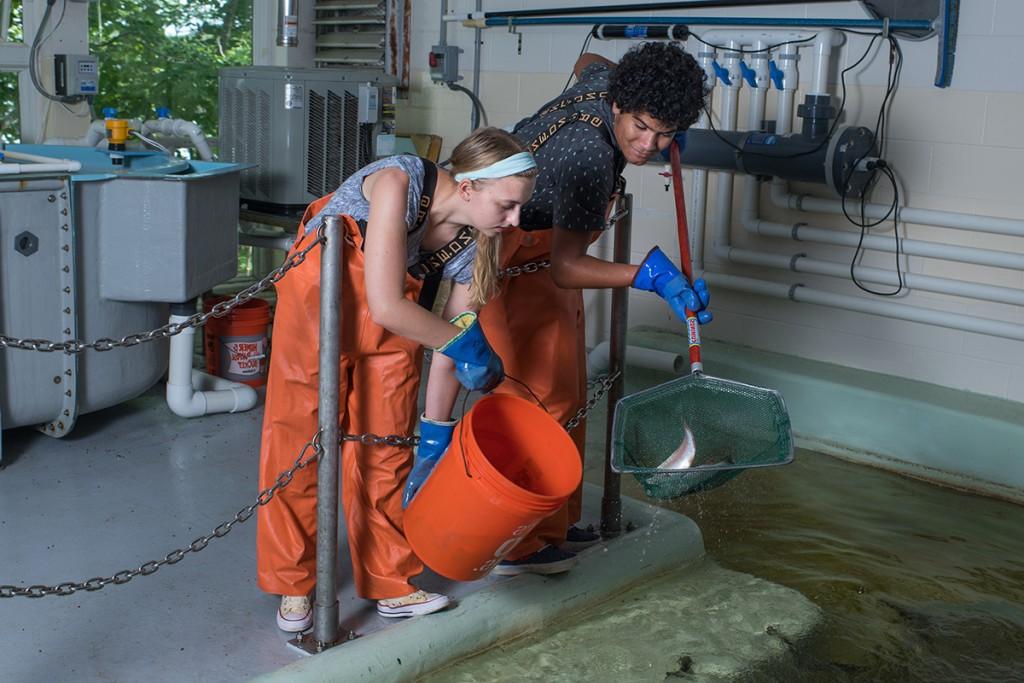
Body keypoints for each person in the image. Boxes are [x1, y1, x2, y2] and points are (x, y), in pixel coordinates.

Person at [414, 41, 712, 576]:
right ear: (619, 106)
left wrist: (655, 111)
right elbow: (565, 267)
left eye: (666, 133)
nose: (649, 145)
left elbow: (589, 61)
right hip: (508, 252)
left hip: (534, 250)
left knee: (568, 395)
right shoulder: (590, 154)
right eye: (641, 127)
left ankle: (553, 524)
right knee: (535, 399)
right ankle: (518, 543)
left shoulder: (604, 84)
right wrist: (651, 275)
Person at [256, 127, 538, 632]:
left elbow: (452, 345)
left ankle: (390, 582)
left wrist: (437, 429)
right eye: (507, 206)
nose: (514, 220)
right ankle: (294, 585)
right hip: (321, 299)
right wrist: (460, 340)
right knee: (298, 441)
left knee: (386, 447)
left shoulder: (478, 240)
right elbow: (390, 305)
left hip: (399, 322)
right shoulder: (398, 182)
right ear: (469, 188)